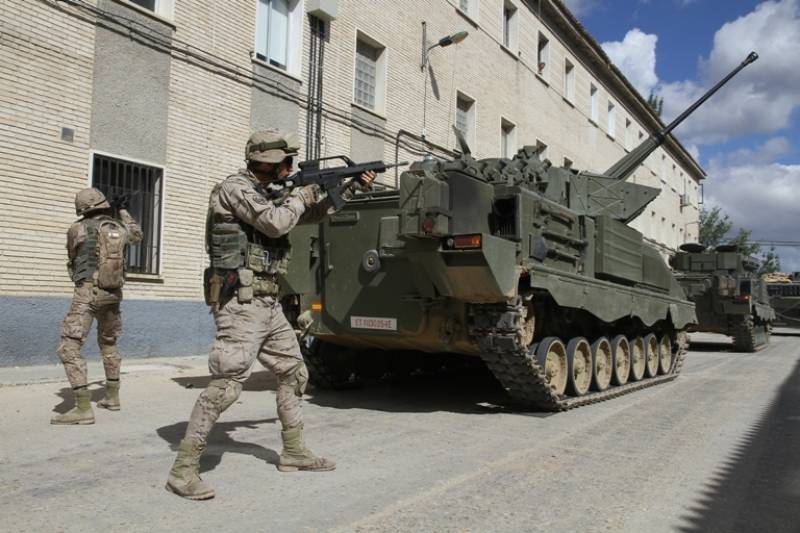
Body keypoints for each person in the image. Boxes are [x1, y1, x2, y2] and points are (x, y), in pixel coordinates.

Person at [166, 130, 376, 500]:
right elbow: (277, 223)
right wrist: (300, 193)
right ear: (270, 163)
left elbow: (307, 215)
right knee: (227, 385)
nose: (290, 167)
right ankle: (183, 470)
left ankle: (294, 452)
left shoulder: (270, 194)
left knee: (294, 372)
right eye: (286, 161)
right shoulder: (235, 189)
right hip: (240, 302)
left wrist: (350, 188)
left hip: (268, 301)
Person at [52, 187, 143, 425]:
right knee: (109, 343)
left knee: (68, 348)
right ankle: (112, 398)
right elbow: (138, 235)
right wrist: (122, 209)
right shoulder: (118, 227)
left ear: (82, 208)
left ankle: (82, 408)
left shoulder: (77, 228)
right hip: (113, 294)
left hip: (87, 293)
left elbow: (72, 256)